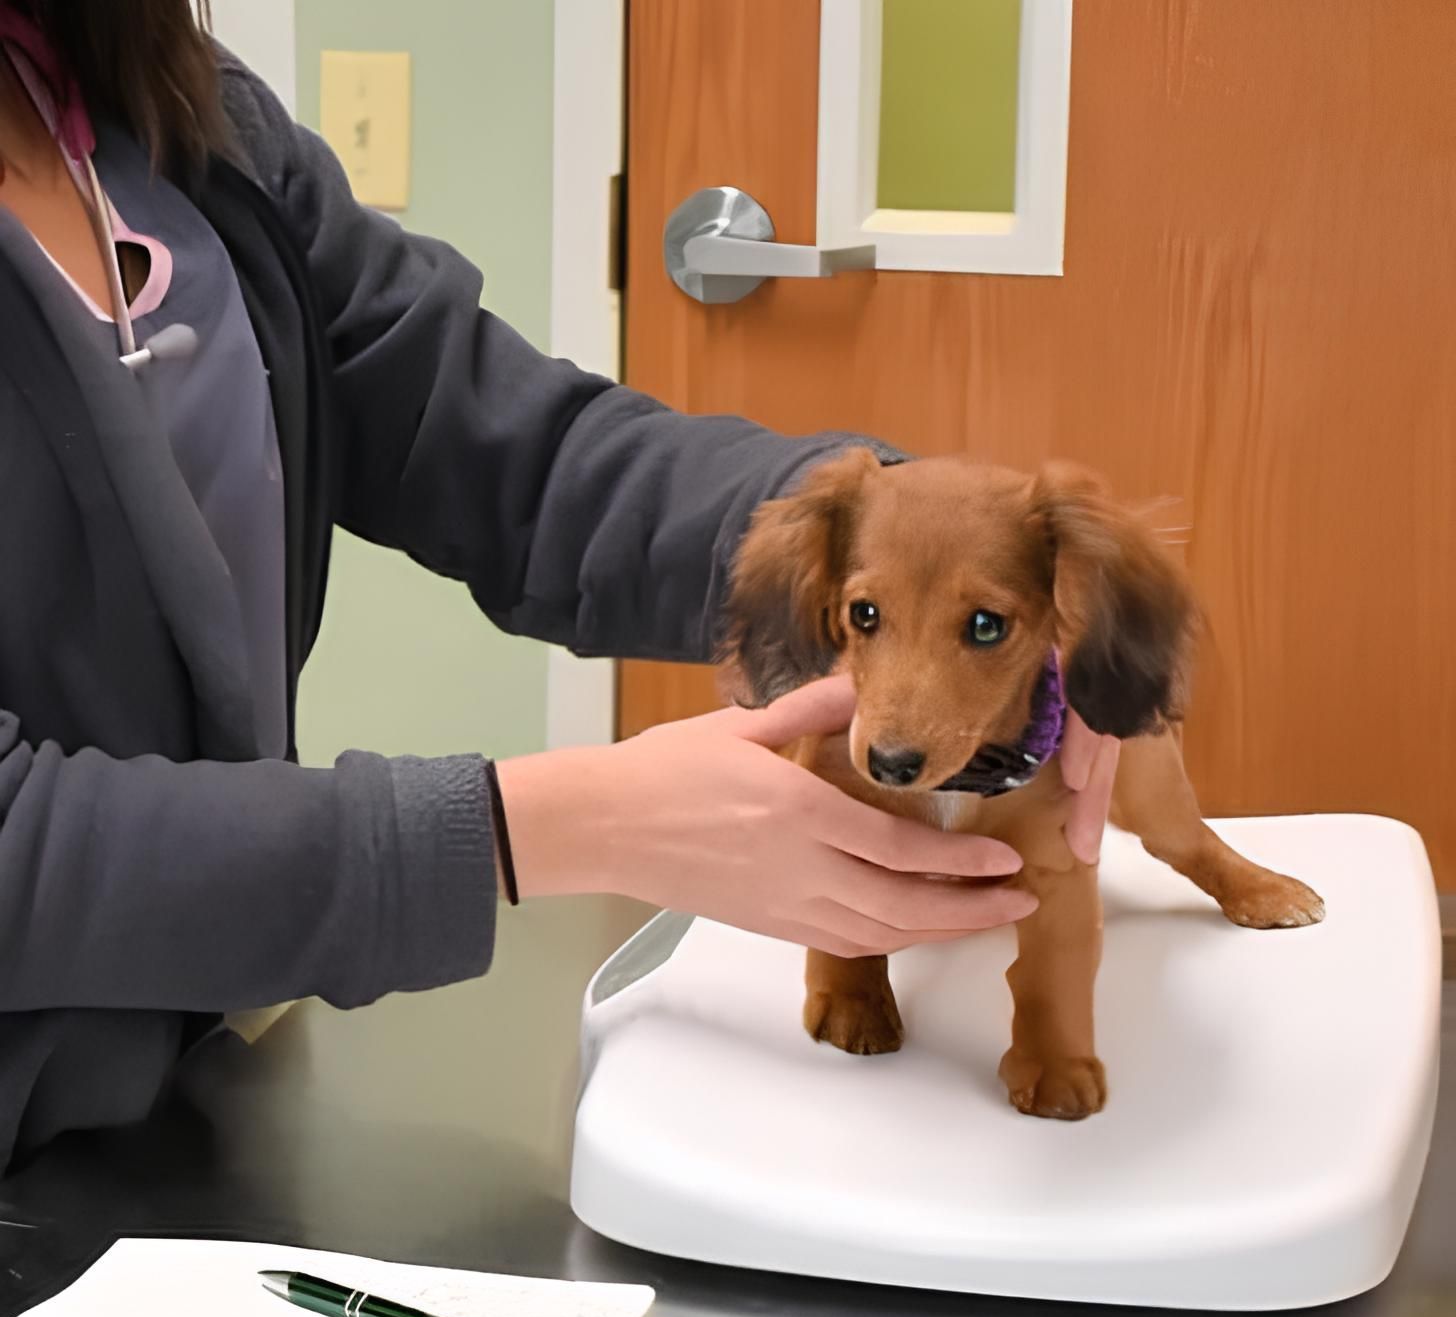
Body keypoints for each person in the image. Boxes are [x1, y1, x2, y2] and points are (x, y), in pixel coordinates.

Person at [0, 1, 1119, 1172]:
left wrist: (884, 536)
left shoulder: (179, 113)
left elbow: (512, 450)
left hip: (186, 1088)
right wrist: (543, 825)